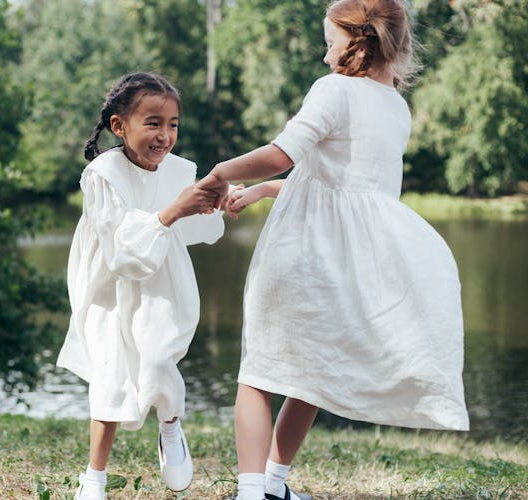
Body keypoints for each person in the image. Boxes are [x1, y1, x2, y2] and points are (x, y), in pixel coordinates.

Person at [198, 1, 470, 498]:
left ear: (357, 42)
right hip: (349, 262)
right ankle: (275, 484)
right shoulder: (395, 105)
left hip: (300, 255)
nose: (325, 55)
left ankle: (251, 491)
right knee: (312, 373)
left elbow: (283, 155)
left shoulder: (335, 90)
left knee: (259, 371)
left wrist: (222, 172)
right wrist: (261, 191)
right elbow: (351, 192)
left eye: (330, 43)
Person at [56, 72, 225, 500]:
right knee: (111, 372)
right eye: (152, 123)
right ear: (120, 126)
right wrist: (172, 212)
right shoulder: (102, 174)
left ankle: (169, 425)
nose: (164, 135)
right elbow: (121, 249)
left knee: (156, 359)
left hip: (160, 282)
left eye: (172, 124)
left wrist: (216, 201)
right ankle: (93, 479)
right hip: (108, 284)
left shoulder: (179, 170)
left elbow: (197, 220)